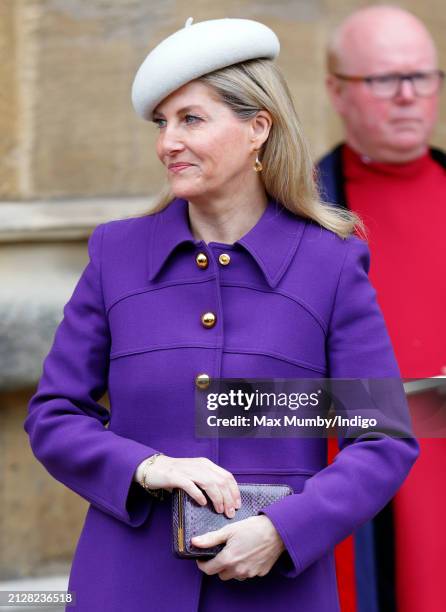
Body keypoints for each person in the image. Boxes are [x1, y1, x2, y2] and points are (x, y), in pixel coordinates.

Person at [24, 17, 418, 612]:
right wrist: (144, 466)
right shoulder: (117, 255)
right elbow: (54, 414)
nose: (167, 143)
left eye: (191, 119)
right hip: (123, 588)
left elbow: (382, 438)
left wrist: (284, 531)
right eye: (162, 123)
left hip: (275, 592)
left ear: (258, 126)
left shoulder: (330, 265)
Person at [318, 5, 446, 612]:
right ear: (337, 90)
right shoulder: (299, 207)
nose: (406, 96)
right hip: (354, 472)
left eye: (421, 77)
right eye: (382, 80)